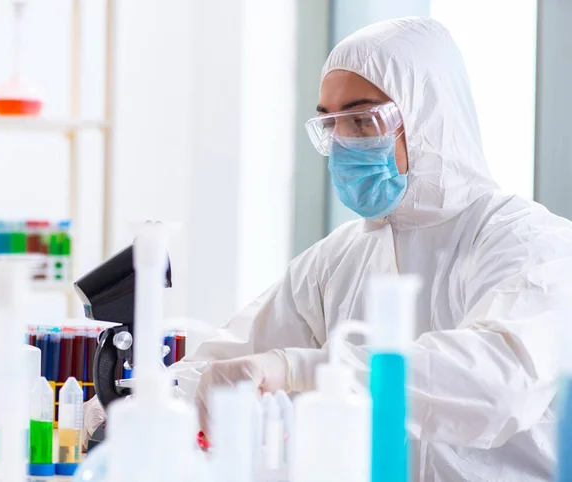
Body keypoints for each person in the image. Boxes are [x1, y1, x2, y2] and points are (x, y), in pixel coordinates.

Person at [85, 17, 572, 481]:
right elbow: (236, 358)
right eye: (330, 124)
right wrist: (117, 414)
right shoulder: (340, 259)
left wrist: (299, 368)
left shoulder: (531, 244)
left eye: (362, 121)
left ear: (430, 119)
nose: (342, 143)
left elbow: (495, 383)